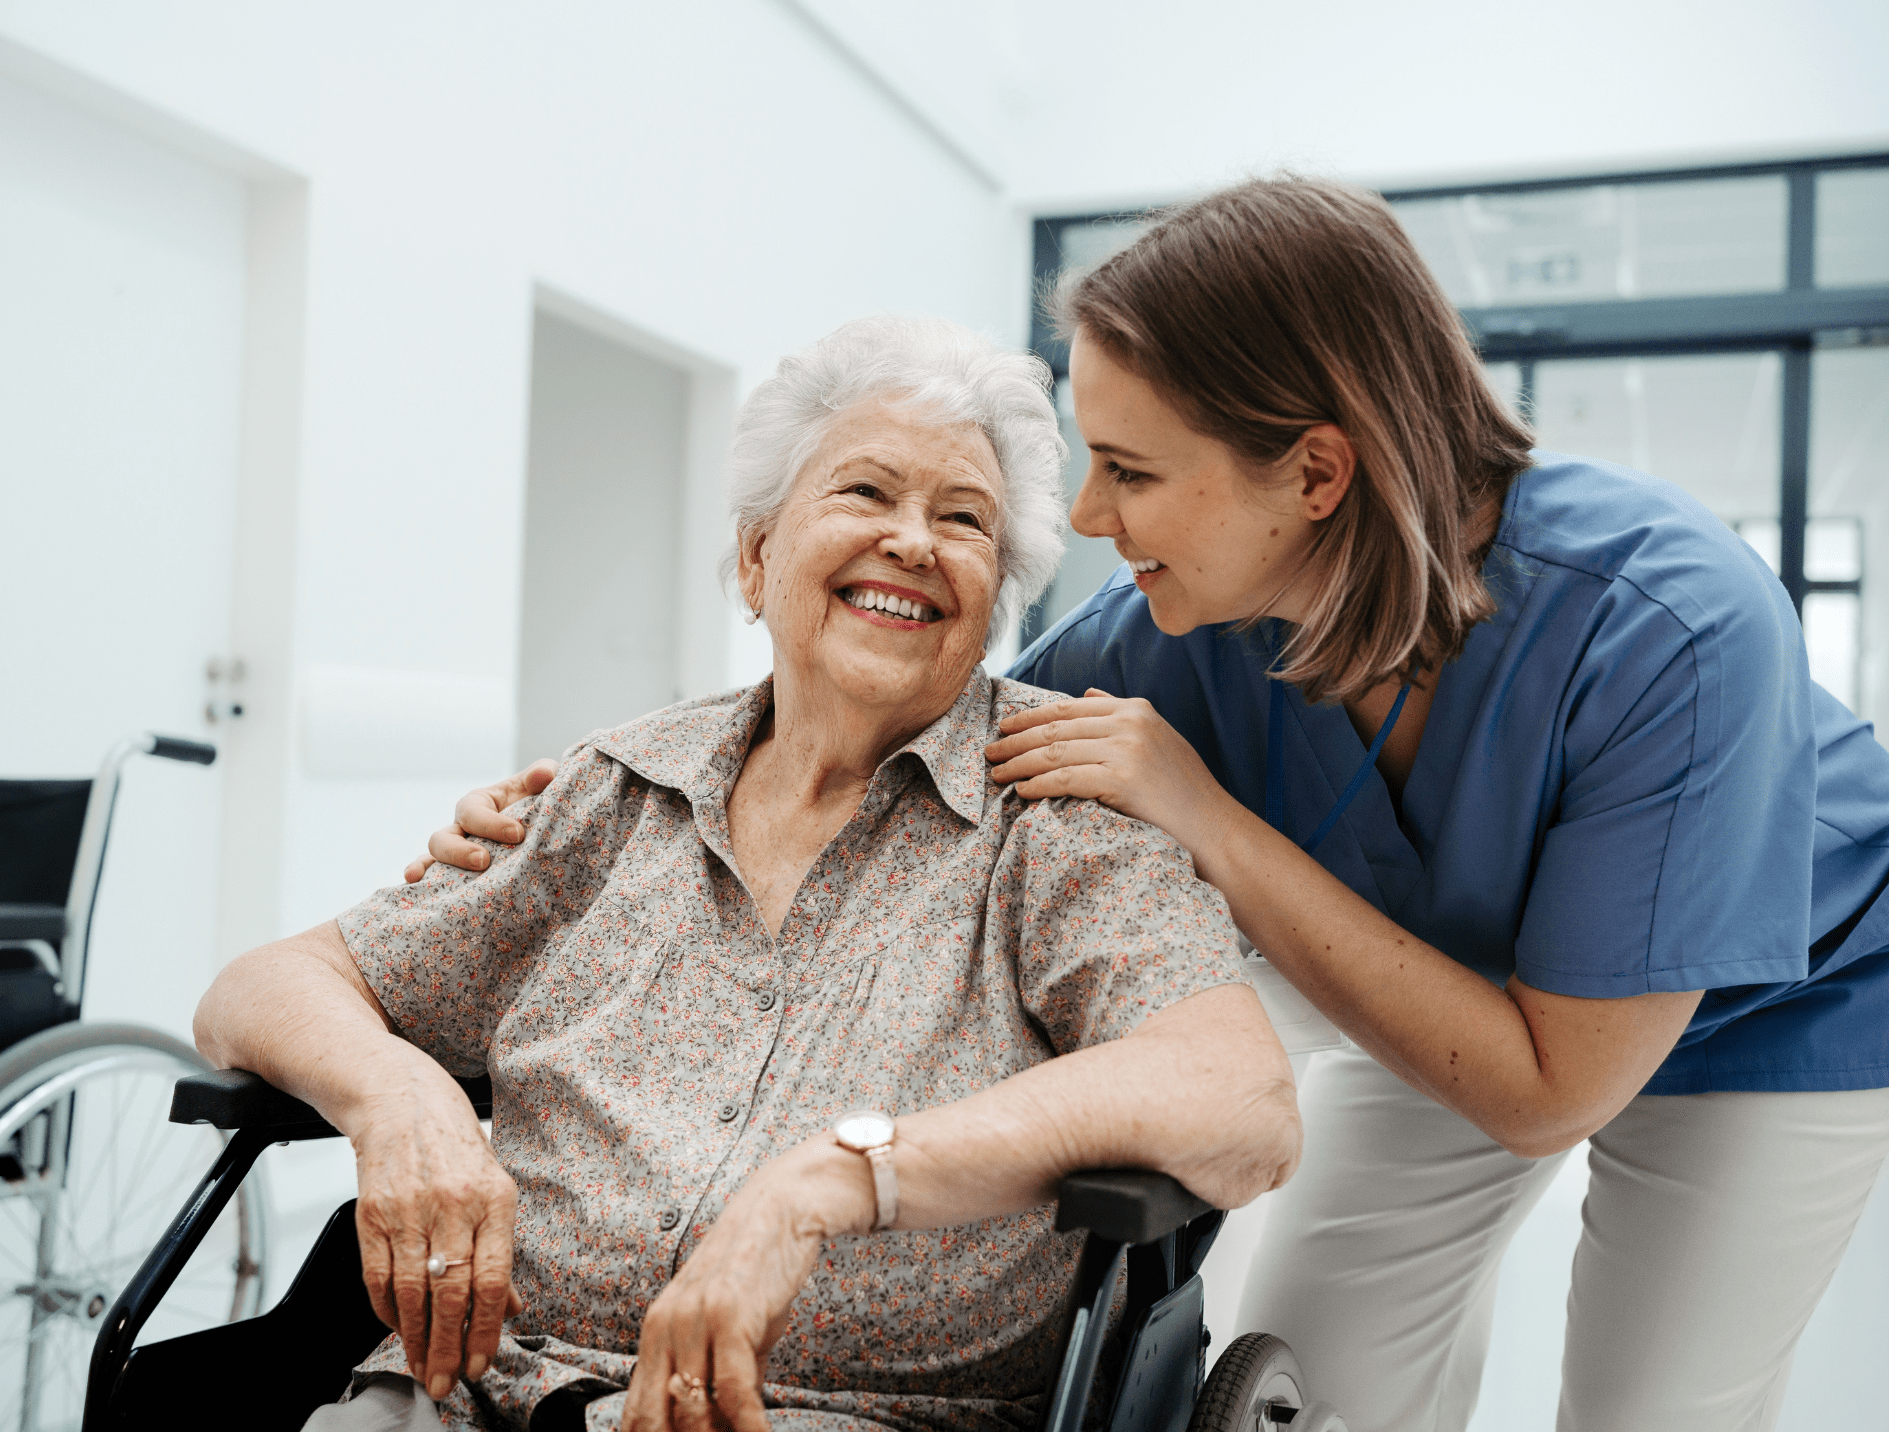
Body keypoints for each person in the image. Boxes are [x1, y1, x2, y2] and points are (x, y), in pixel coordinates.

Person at [432, 185, 1889, 1432]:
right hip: (1451, 986)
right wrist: (602, 797)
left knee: (1655, 1407)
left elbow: (1546, 1091)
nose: (1079, 521)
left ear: (1315, 471)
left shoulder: (1673, 626)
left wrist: (1207, 815)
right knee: (1323, 1372)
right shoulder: (1169, 625)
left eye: (1129, 471)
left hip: (1768, 1004)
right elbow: (915, 704)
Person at [197, 315, 1301, 1432]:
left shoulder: (1054, 814)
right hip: (477, 1392)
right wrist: (397, 1098)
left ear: (993, 600)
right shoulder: (615, 790)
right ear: (755, 558)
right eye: (865, 494)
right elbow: (261, 987)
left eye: (961, 518)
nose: (913, 541)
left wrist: (832, 1179)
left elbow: (1240, 1097)